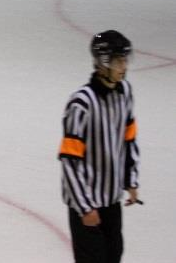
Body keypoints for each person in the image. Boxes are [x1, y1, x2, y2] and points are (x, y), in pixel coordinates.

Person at [59, 29, 141, 263]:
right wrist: (85, 207)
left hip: (111, 200)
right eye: (118, 60)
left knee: (113, 255)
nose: (124, 66)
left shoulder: (124, 92)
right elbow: (70, 160)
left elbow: (129, 136)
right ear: (103, 63)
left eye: (125, 60)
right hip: (86, 203)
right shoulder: (81, 104)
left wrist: (130, 179)